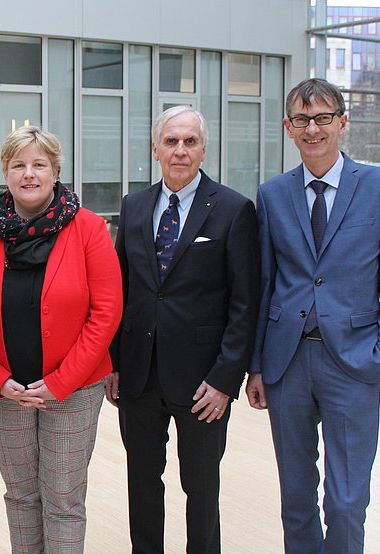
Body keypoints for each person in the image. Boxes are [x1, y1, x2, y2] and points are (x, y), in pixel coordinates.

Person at [246, 78, 380, 553]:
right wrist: (257, 364)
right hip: (287, 365)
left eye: (323, 118)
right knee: (295, 499)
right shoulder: (273, 194)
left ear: (342, 122)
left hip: (355, 363)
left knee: (345, 501)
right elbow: (266, 284)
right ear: (288, 128)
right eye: (302, 120)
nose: (313, 128)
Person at [108, 106, 260, 553]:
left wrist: (225, 380)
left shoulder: (234, 210)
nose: (180, 150)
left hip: (203, 382)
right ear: (155, 149)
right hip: (137, 376)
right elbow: (122, 290)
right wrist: (114, 363)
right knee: (142, 482)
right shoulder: (133, 207)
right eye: (171, 141)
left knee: (201, 488)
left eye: (189, 141)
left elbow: (245, 303)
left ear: (203, 148)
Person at [0, 126, 123, 552]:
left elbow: (106, 314)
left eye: (39, 165)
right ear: (5, 172)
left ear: (56, 172)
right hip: (7, 394)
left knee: (63, 501)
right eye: (19, 165)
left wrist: (61, 381)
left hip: (74, 391)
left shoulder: (89, 229)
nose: (29, 174)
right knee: (20, 496)